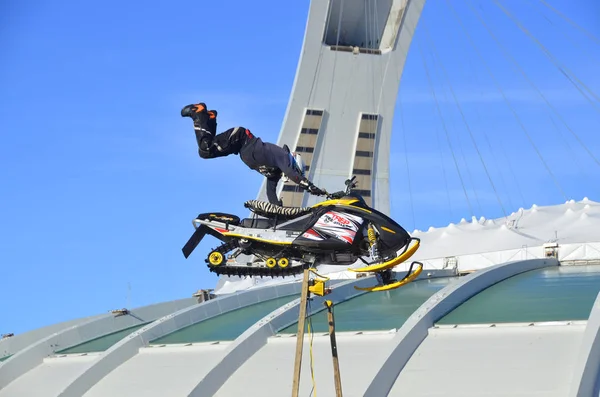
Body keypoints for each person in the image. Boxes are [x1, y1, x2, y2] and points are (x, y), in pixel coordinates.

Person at [181, 102, 327, 206]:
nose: (287, 177)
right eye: (294, 171)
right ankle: (198, 111)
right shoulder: (282, 155)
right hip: (240, 137)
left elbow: (271, 193)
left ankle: (210, 117)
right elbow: (292, 173)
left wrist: (279, 211)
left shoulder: (274, 172)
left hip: (237, 147)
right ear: (294, 164)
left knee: (205, 153)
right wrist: (311, 187)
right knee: (206, 148)